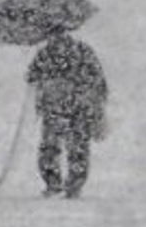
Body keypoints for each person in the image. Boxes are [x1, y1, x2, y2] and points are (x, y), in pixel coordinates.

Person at [26, 29, 107, 199]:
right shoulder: (79, 51)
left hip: (65, 107)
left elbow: (32, 77)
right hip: (69, 107)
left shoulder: (50, 53)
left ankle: (61, 183)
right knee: (69, 147)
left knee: (59, 147)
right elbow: (98, 78)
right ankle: (67, 184)